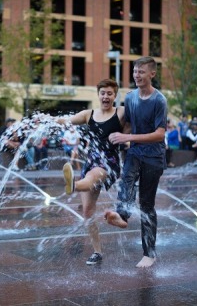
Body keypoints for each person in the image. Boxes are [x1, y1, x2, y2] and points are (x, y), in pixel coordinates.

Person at [104, 56, 168, 268]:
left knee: (147, 204)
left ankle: (149, 253)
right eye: (134, 71)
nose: (136, 75)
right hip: (135, 153)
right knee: (127, 181)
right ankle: (122, 216)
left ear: (152, 74)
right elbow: (128, 126)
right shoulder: (130, 98)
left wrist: (128, 138)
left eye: (141, 72)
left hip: (154, 157)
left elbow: (159, 134)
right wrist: (116, 138)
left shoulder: (159, 100)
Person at [55, 78, 126, 265]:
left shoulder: (121, 113)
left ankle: (73, 184)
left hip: (108, 163)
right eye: (103, 93)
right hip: (91, 161)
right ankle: (97, 252)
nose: (106, 96)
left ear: (115, 95)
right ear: (98, 94)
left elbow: (136, 120)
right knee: (87, 211)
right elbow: (67, 121)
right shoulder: (89, 114)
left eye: (110, 93)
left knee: (93, 176)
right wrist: (48, 120)